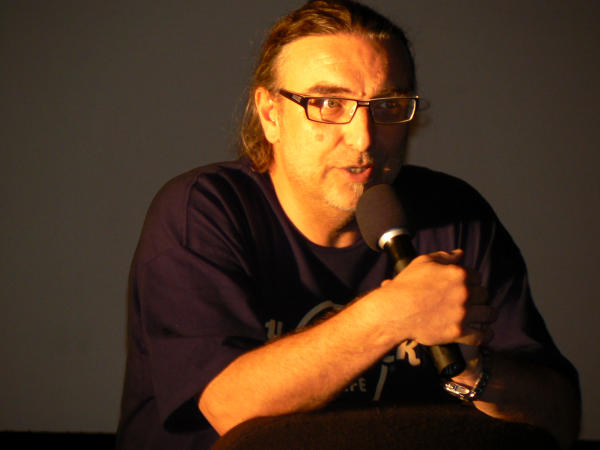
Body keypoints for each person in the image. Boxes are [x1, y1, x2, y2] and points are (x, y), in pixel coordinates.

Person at [116, 1, 580, 449]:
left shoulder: (455, 214)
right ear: (270, 114)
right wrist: (391, 314)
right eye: (328, 103)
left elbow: (559, 421)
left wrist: (475, 370)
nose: (363, 138)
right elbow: (230, 407)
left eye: (388, 105)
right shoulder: (203, 210)